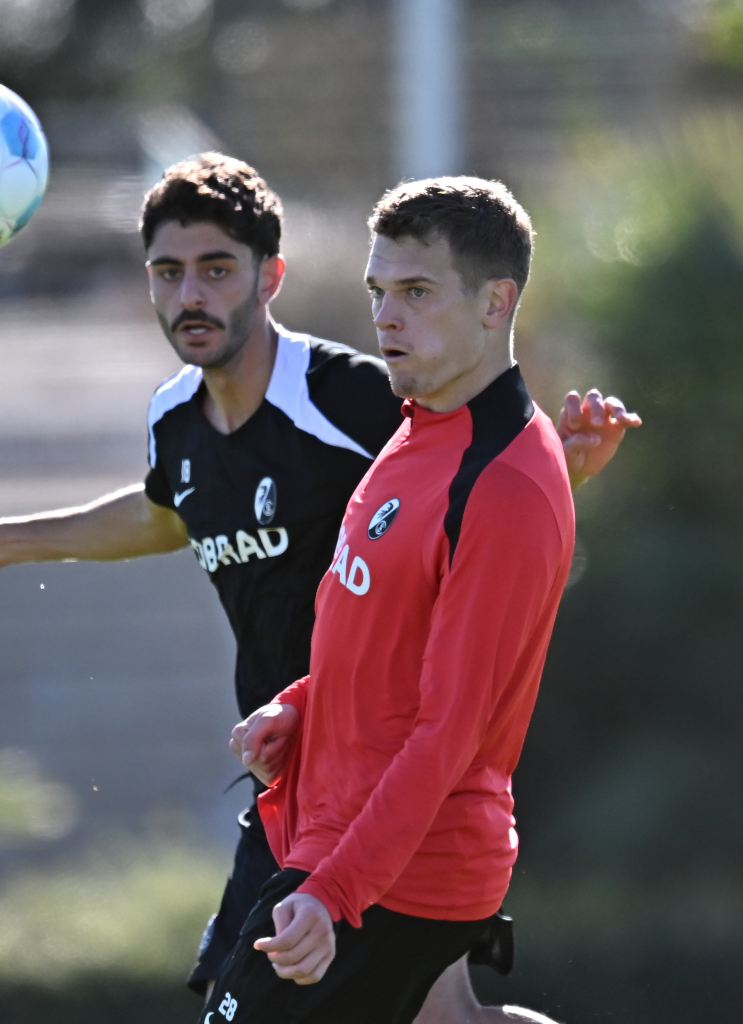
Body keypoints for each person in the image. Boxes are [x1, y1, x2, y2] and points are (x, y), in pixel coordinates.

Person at [0, 155, 639, 1024]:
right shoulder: (244, 421)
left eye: (217, 269)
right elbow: (174, 517)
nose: (386, 317)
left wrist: (555, 469)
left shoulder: (366, 404)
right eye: (168, 271)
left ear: (270, 278)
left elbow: (484, 556)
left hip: (386, 829)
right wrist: (6, 542)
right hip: (314, 782)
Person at [214, 175, 580, 1024]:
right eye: (378, 291)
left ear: (498, 302)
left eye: (416, 292)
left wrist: (334, 894)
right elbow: (388, 652)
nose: (386, 317)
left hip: (390, 873)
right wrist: (303, 706)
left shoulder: (504, 481)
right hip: (342, 841)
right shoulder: (419, 428)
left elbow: (450, 730)